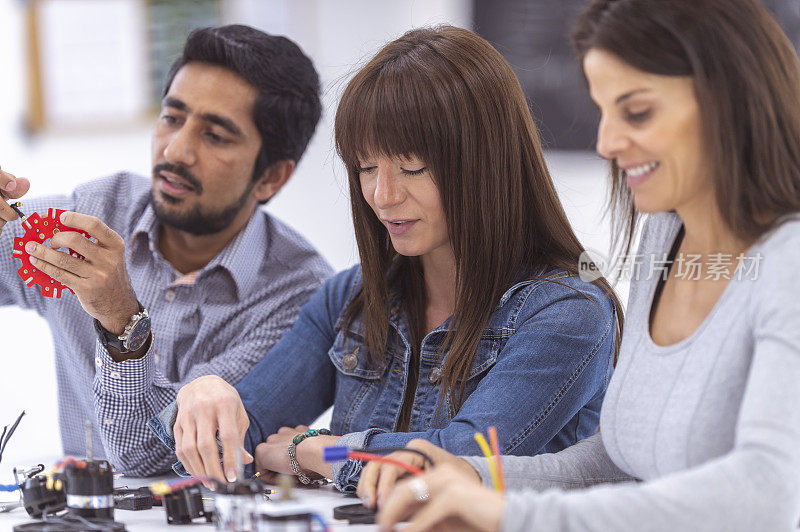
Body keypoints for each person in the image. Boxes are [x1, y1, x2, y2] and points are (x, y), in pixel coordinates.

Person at [363, 0, 800, 530]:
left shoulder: (788, 261)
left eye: (636, 112)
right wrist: (461, 473)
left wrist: (508, 513)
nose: (606, 143)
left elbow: (768, 490)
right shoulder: (664, 235)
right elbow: (618, 463)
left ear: (731, 100)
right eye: (603, 111)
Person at [149, 25, 624, 492]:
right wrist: (206, 394)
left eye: (412, 167)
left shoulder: (567, 313)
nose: (382, 194)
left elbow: (460, 460)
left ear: (486, 163)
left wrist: (314, 452)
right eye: (366, 167)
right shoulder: (347, 297)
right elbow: (236, 439)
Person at [0, 25, 332, 476]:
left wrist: (121, 320)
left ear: (271, 177)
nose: (175, 151)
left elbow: (151, 452)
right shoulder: (93, 212)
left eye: (215, 136)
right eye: (172, 117)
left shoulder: (303, 302)